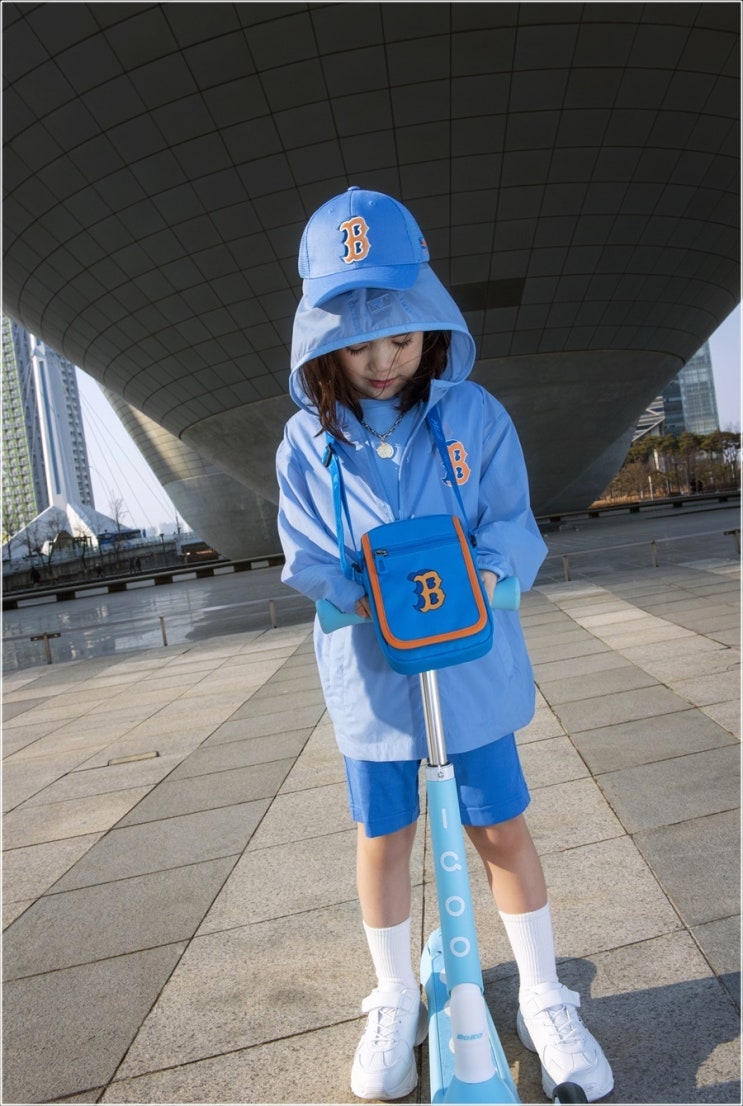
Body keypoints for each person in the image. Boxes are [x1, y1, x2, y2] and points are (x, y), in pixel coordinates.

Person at [276, 187, 613, 1103]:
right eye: (357, 343)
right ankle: (393, 994)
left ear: (431, 325)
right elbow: (308, 554)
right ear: (322, 345)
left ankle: (541, 992)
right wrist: (362, 598)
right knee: (383, 833)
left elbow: (510, 523)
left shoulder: (473, 416)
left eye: (400, 337)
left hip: (466, 668)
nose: (382, 361)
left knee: (498, 824)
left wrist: (483, 580)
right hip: (374, 679)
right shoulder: (307, 442)